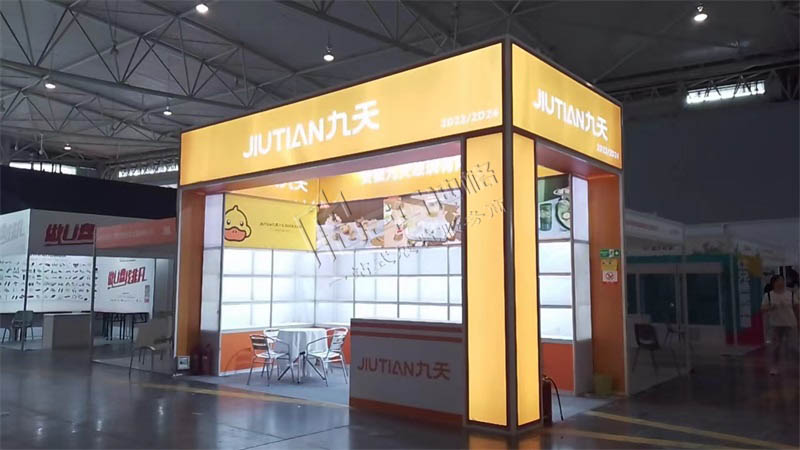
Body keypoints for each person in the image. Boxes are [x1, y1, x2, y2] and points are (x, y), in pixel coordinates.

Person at [761, 274, 798, 375]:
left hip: (790, 323)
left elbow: (797, 308)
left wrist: (798, 321)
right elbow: (763, 309)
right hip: (775, 325)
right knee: (775, 348)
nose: (781, 283)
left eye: (782, 281)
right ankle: (774, 367)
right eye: (778, 281)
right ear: (773, 283)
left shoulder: (790, 294)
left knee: (794, 346)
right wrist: (771, 308)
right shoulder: (768, 295)